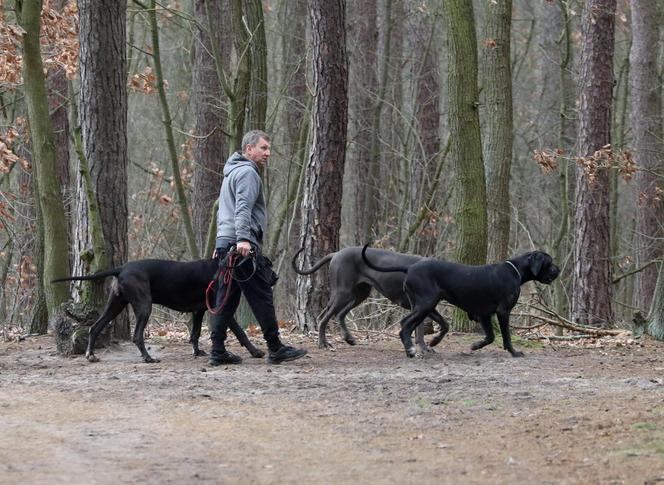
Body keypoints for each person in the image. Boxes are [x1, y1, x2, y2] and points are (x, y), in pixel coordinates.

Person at [209, 130, 307, 366]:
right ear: (248, 149)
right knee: (261, 294)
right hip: (241, 245)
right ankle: (276, 348)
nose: (268, 153)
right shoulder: (247, 173)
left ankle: (218, 351)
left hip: (227, 243)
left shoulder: (231, 172)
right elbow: (242, 208)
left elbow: (225, 211)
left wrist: (220, 243)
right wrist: (243, 239)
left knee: (227, 298)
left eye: (268, 149)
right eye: (263, 148)